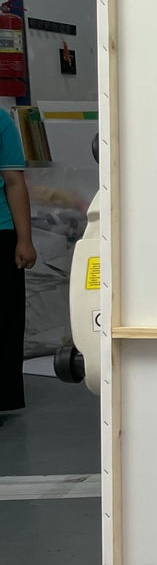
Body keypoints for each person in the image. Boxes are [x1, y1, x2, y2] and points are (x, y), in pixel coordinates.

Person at [0, 110, 34, 414]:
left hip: (1, 231)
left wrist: (25, 240)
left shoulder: (1, 121)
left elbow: (13, 182)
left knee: (4, 321)